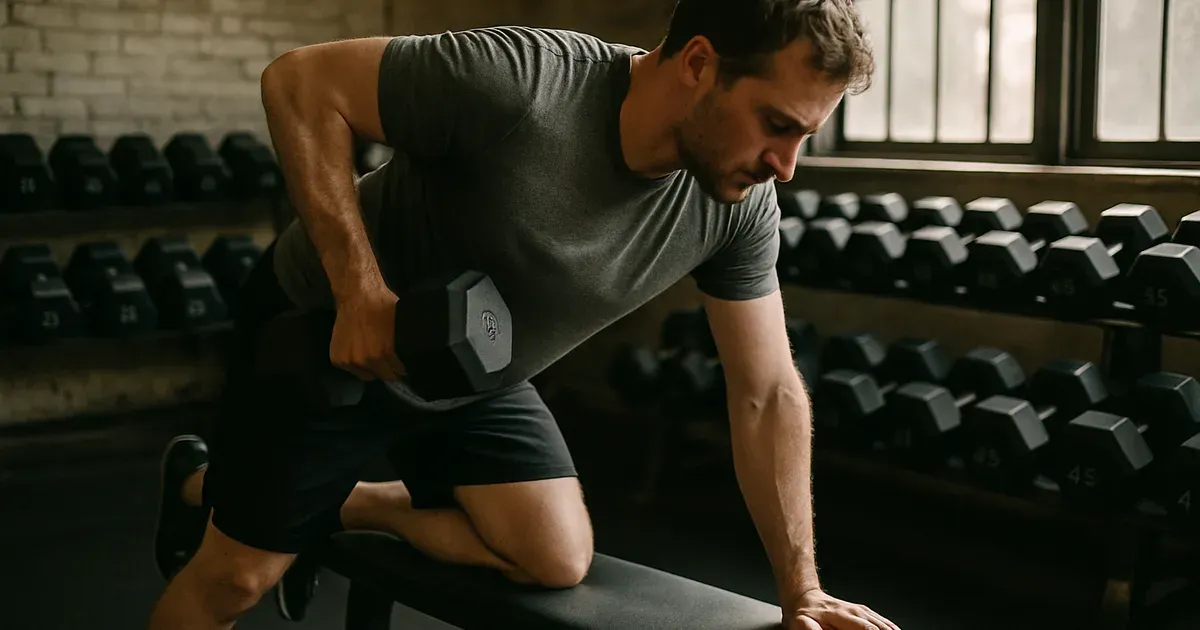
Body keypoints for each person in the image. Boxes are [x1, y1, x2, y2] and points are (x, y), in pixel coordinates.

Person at [147, 1, 897, 629]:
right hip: (323, 331)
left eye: (804, 135)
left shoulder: (736, 208)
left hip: (475, 368)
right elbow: (300, 82)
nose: (786, 164)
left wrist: (801, 590)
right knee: (235, 579)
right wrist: (359, 294)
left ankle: (316, 503)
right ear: (699, 63)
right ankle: (210, 499)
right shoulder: (528, 81)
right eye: (776, 124)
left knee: (553, 559)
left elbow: (765, 390)